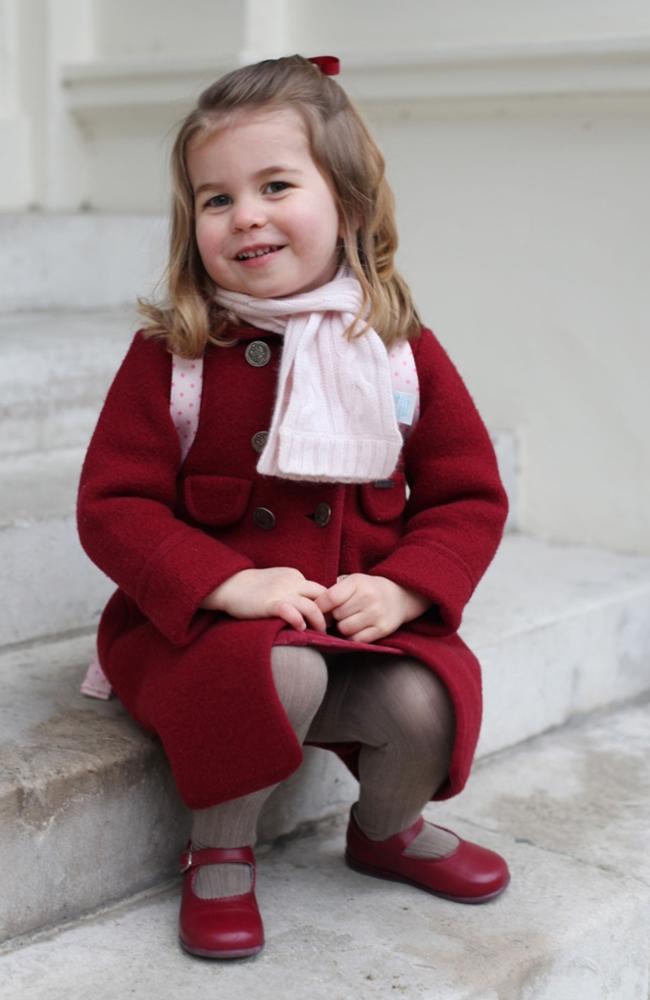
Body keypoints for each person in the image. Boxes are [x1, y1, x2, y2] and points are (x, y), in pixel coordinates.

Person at [77, 54, 510, 961]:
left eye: (276, 184)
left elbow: (468, 495)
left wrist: (404, 591)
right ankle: (220, 847)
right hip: (210, 635)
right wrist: (225, 583)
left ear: (346, 203)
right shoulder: (178, 357)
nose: (247, 215)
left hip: (355, 625)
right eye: (215, 198)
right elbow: (114, 506)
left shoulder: (395, 349)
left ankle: (385, 830)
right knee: (283, 675)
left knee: (427, 698)